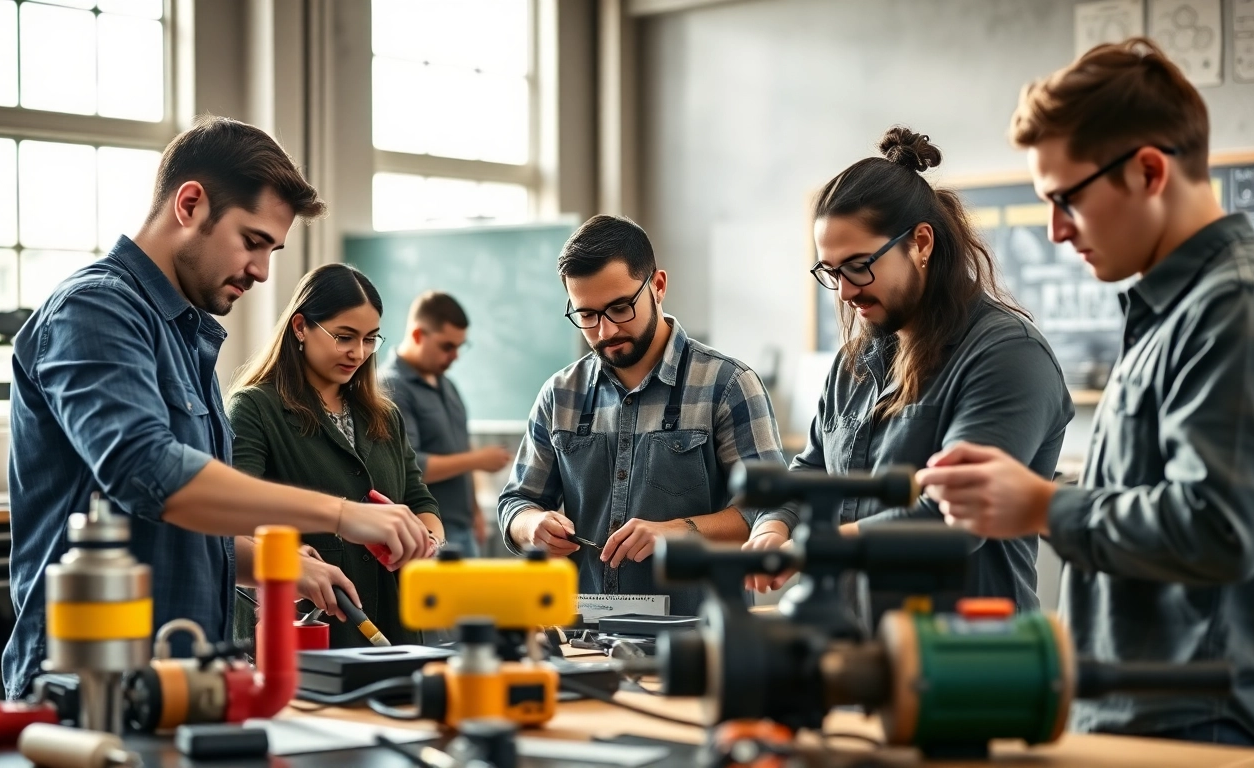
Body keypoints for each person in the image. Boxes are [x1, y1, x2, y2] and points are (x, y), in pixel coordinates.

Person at [914, 39, 1254, 768]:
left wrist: (1039, 508)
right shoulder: (1173, 312)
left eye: (1066, 198)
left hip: (1209, 735)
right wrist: (1025, 496)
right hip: (1139, 725)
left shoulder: (1239, 311)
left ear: (1149, 170)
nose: (1055, 231)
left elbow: (1222, 528)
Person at [4, 117, 431, 698]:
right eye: (252, 241)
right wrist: (339, 514)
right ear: (190, 203)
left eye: (272, 250)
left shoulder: (187, 338)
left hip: (181, 681)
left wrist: (276, 565)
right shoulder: (95, 311)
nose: (261, 271)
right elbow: (149, 475)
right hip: (87, 685)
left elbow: (168, 528)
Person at [742, 128, 1073, 613]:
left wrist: (818, 548)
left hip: (966, 660)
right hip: (865, 653)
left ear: (920, 243)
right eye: (831, 272)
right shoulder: (854, 362)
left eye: (858, 265)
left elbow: (950, 520)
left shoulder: (1007, 356)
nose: (845, 292)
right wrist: (775, 524)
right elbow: (811, 470)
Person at [497, 214, 786, 615]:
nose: (605, 331)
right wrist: (532, 526)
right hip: (585, 634)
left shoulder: (728, 384)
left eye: (619, 308)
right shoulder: (559, 395)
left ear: (658, 286)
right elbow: (516, 501)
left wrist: (674, 532)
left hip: (702, 634)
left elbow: (769, 507)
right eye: (587, 315)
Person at [228, 264, 444, 649]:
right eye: (344, 337)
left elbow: (419, 500)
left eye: (370, 339)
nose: (358, 353)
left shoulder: (384, 415)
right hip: (304, 629)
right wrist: (284, 555)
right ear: (300, 327)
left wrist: (426, 545)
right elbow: (231, 516)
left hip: (393, 625)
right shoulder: (255, 408)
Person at [379, 292, 511, 557]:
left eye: (460, 347)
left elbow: (460, 445)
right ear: (418, 336)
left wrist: (474, 512)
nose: (455, 356)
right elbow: (410, 468)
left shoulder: (447, 384)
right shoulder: (391, 388)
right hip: (426, 534)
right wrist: (477, 460)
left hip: (463, 529)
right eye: (447, 346)